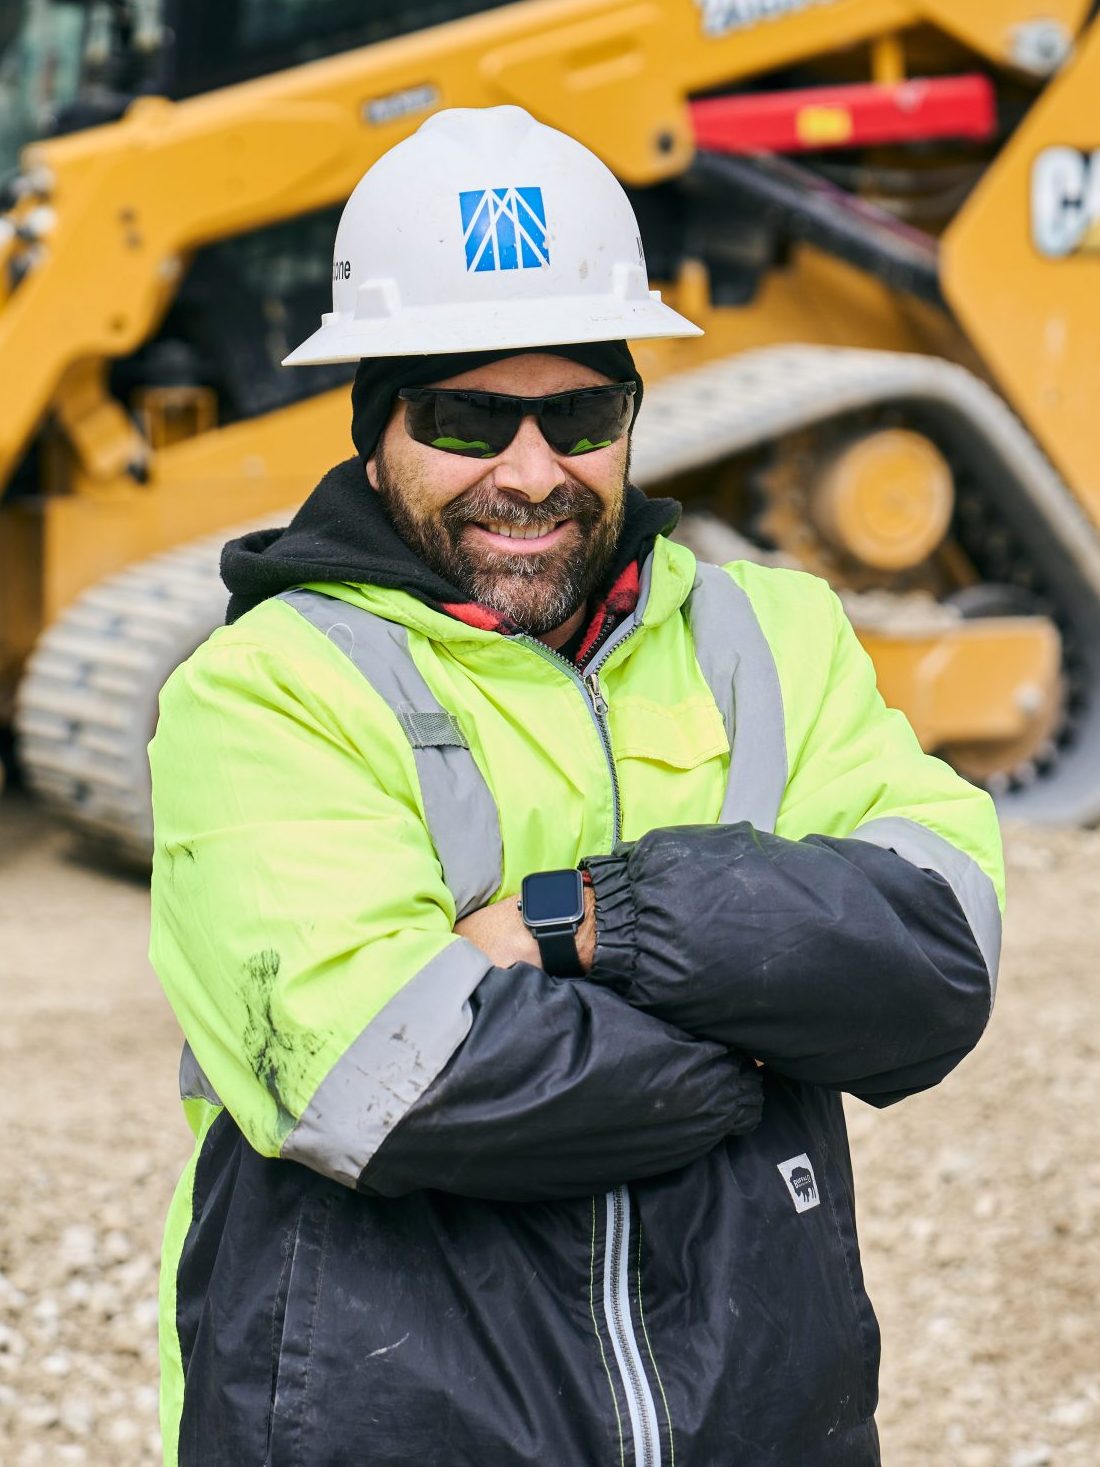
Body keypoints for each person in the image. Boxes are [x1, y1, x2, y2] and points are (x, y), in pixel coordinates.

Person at [148, 106, 1003, 1467]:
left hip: (758, 1414)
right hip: (391, 1422)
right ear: (378, 429)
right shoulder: (266, 690)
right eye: (469, 416)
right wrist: (771, 1037)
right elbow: (389, 1082)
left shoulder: (768, 635)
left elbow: (937, 962)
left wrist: (583, 918)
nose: (532, 473)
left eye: (581, 414)